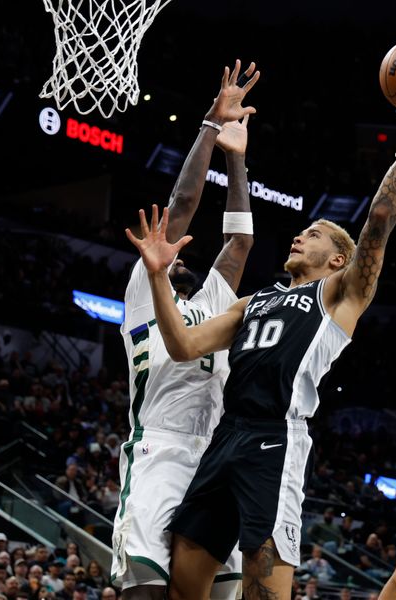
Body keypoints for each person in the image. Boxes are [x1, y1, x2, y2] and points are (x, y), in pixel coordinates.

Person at [126, 61, 396, 600]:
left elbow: (379, 217)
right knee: (185, 585)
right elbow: (183, 346)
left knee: (263, 589)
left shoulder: (339, 295)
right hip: (224, 438)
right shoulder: (255, 301)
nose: (303, 235)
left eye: (318, 232)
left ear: (340, 258)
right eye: (304, 229)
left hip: (275, 439)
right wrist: (159, 277)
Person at [111, 59, 259, 600]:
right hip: (159, 455)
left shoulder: (212, 301)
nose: (174, 253)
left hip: (214, 458)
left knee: (222, 595)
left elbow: (239, 242)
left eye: (177, 255)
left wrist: (237, 158)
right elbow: (185, 204)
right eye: (167, 252)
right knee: (146, 590)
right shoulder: (145, 292)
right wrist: (210, 126)